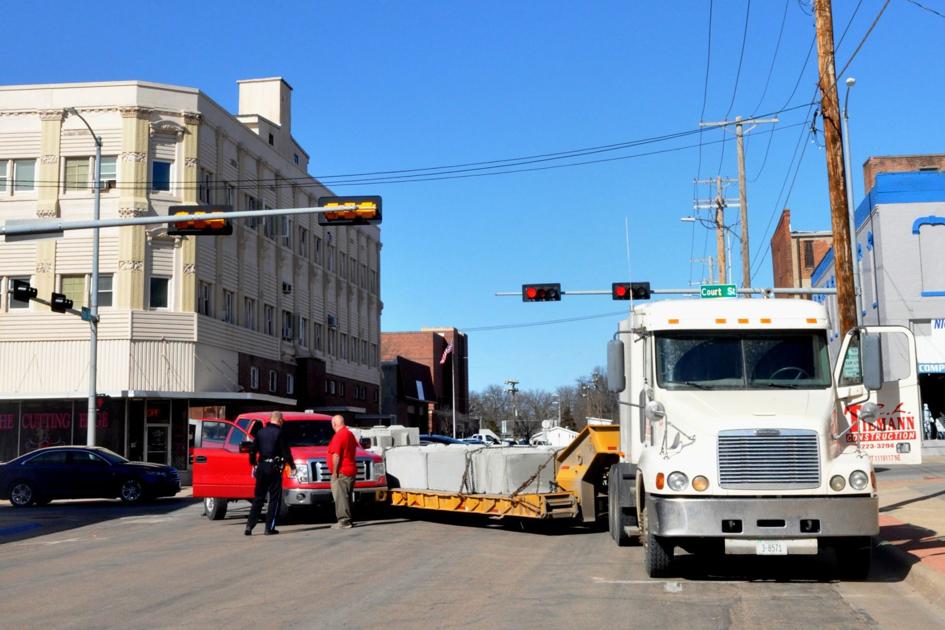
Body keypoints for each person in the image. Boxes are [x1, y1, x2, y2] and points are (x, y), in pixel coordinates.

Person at [245, 411, 296, 536]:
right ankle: (269, 528)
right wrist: (292, 466)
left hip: (262, 466)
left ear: (270, 419)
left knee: (258, 497)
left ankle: (249, 526)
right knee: (274, 498)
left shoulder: (261, 432)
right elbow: (286, 452)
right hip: (274, 468)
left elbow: (252, 450)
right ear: (280, 420)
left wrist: (253, 462)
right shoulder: (280, 433)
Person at [328, 414, 358, 529]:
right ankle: (348, 519)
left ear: (334, 424)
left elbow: (336, 455)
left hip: (342, 471)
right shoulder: (349, 434)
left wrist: (334, 472)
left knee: (341, 496)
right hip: (350, 469)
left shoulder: (339, 436)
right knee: (347, 496)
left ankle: (344, 521)